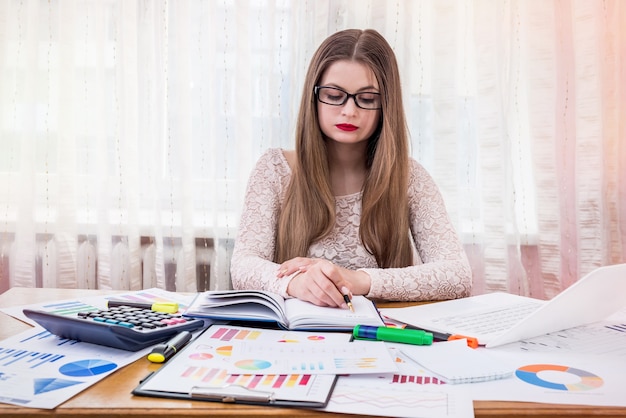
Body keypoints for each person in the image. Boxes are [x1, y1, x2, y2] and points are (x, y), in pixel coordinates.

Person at [230, 28, 472, 309]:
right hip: (294, 338)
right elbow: (243, 267)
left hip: (379, 337)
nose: (349, 111)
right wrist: (294, 283)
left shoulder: (408, 177)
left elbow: (458, 276)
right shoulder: (275, 169)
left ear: (385, 105)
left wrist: (357, 280)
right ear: (314, 97)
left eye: (367, 99)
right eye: (334, 95)